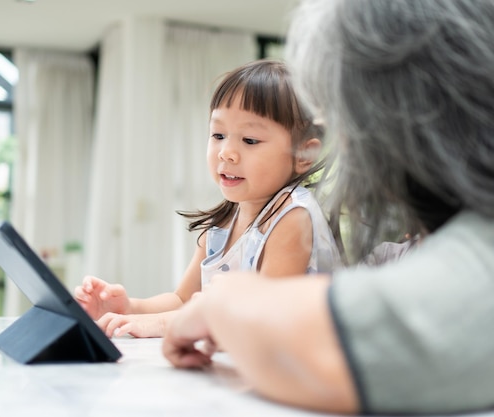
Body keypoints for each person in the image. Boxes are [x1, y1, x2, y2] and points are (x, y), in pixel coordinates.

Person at [161, 0, 494, 414]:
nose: (345, 145)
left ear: (411, 117)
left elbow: (332, 350)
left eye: (347, 115)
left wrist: (221, 302)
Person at [74, 59, 340, 338]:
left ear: (303, 155)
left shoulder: (293, 215)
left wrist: (167, 324)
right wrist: (130, 309)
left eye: (249, 140)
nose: (226, 152)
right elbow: (183, 300)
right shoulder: (223, 222)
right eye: (218, 134)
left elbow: (264, 316)